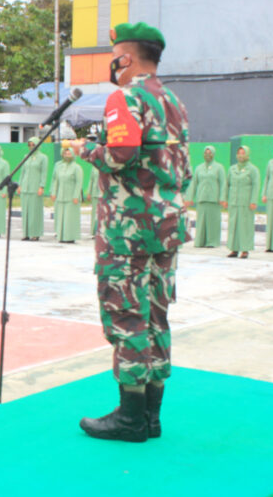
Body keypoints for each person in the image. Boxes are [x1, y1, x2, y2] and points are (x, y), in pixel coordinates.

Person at [71, 22, 191, 442]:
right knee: (156, 316)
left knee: (126, 317)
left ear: (127, 58)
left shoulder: (127, 96)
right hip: (165, 227)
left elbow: (121, 154)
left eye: (115, 55)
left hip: (128, 232)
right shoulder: (171, 100)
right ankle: (151, 416)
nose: (113, 62)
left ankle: (129, 417)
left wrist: (84, 148)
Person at [184, 146, 226, 248]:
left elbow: (223, 183)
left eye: (210, 153)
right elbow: (194, 184)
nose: (208, 155)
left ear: (213, 154)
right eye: (206, 153)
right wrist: (189, 198)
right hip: (201, 199)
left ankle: (212, 242)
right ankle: (200, 242)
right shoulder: (199, 168)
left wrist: (222, 198)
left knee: (213, 222)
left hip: (214, 200)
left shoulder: (219, 168)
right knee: (201, 222)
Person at [223, 146, 259, 259]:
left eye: (243, 153)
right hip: (234, 201)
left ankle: (245, 250)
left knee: (245, 226)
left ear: (247, 155)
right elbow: (227, 184)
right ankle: (234, 249)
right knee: (233, 226)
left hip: (246, 202)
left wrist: (253, 201)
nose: (241, 155)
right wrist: (224, 198)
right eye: (239, 153)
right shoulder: (232, 169)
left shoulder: (253, 169)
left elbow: (256, 186)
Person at [50, 147, 83, 243]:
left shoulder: (77, 167)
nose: (67, 155)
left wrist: (76, 196)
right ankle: (61, 236)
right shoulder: (60, 167)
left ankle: (70, 237)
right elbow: (56, 180)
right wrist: (53, 192)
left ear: (73, 155)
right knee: (61, 217)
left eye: (69, 154)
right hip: (61, 195)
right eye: (65, 154)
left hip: (72, 197)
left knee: (70, 218)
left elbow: (78, 183)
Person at [18, 136, 47, 241]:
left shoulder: (43, 158)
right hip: (25, 187)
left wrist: (41, 186)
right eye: (29, 145)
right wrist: (20, 185)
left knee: (35, 211)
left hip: (35, 188)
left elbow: (44, 173)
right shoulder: (26, 156)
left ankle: (35, 233)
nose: (31, 147)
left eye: (33, 144)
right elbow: (23, 172)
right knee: (25, 211)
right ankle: (26, 233)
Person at [87, 166, 102, 237]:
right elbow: (91, 180)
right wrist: (89, 192)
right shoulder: (94, 167)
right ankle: (93, 232)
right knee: (94, 213)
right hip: (95, 193)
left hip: (104, 193)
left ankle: (101, 231)